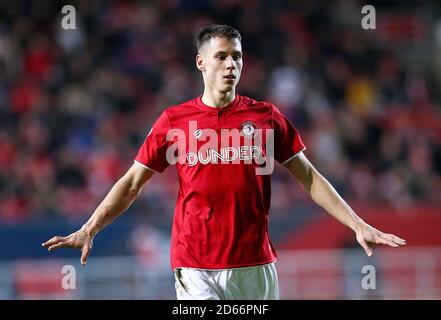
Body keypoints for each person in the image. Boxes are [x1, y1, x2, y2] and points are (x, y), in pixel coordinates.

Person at [42, 24, 406, 300]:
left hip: (255, 262)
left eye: (237, 56)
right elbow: (132, 183)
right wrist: (91, 227)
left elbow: (309, 178)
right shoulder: (174, 121)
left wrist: (357, 224)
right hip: (195, 263)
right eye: (221, 56)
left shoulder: (266, 118)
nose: (231, 64)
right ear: (201, 62)